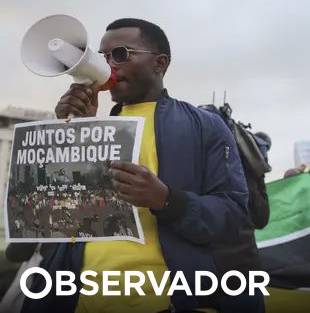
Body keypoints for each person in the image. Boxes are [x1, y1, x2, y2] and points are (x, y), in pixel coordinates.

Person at [23, 18, 263, 313]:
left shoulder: (205, 127)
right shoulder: (88, 123)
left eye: (120, 54)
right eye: (103, 56)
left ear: (159, 64)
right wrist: (71, 134)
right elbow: (53, 216)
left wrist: (166, 200)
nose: (109, 65)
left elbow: (234, 217)